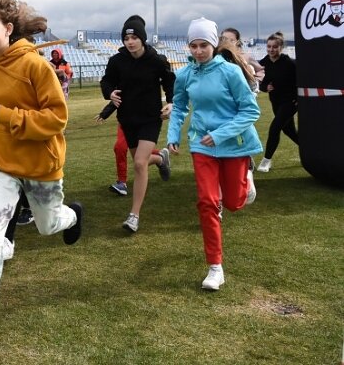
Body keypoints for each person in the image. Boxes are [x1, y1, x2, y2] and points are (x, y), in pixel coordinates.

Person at [0, 0, 83, 356]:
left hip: (41, 164)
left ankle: (72, 216)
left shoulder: (35, 66)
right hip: (1, 164)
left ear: (8, 29)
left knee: (47, 225)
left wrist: (7, 115)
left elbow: (57, 118)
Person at [166, 17, 260, 291]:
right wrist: (173, 135)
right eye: (193, 45)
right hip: (201, 146)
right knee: (208, 202)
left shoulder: (230, 72)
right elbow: (180, 107)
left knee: (233, 203)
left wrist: (220, 134)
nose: (197, 51)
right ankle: (215, 267)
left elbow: (251, 111)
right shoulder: (185, 75)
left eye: (203, 45)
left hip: (233, 144)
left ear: (213, 44)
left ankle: (246, 178)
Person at [100, 15, 174, 233]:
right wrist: (109, 93)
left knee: (139, 164)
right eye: (126, 37)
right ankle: (160, 158)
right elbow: (107, 81)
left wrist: (170, 102)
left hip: (151, 118)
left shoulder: (156, 60)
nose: (130, 41)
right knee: (140, 161)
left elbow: (170, 81)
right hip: (127, 119)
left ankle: (134, 215)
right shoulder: (117, 61)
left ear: (142, 38)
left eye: (134, 37)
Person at [94, 101, 162, 196]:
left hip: (144, 120)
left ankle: (159, 157)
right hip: (126, 121)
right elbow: (118, 96)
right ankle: (121, 183)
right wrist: (105, 113)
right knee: (120, 147)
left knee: (139, 150)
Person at [256, 31, 299, 172]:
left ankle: (266, 161)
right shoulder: (264, 63)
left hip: (290, 102)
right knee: (290, 132)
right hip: (276, 102)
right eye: (269, 46)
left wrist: (299, 99)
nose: (271, 50)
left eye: (274, 47)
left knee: (275, 128)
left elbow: (302, 80)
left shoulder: (290, 63)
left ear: (281, 48)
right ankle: (314, 150)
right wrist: (264, 87)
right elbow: (262, 83)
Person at [220, 27, 263, 94]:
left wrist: (256, 80)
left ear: (237, 42)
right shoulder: (216, 57)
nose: (227, 42)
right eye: (224, 39)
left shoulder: (245, 57)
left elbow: (260, 70)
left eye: (231, 40)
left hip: (241, 95)